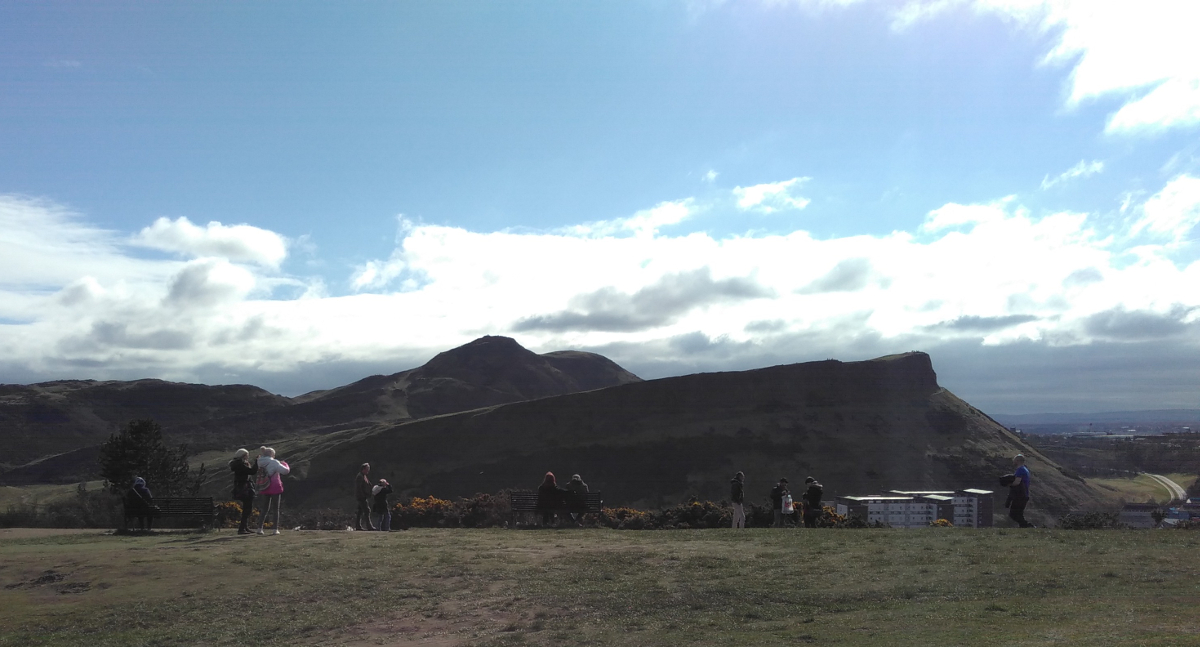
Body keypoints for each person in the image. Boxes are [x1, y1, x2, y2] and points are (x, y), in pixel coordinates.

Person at [256, 447, 290, 535]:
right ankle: (275, 529)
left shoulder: (259, 461)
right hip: (274, 486)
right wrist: (284, 463)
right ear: (272, 454)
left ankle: (259, 528)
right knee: (275, 509)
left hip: (264, 485)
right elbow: (285, 471)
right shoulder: (274, 462)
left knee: (264, 508)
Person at [229, 448, 258, 535]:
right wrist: (257, 462)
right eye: (247, 455)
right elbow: (252, 471)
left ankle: (245, 527)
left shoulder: (237, 464)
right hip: (245, 489)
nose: (248, 457)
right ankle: (242, 528)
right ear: (243, 456)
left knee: (246, 508)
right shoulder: (241, 465)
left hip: (241, 488)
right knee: (247, 509)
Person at [1009, 454, 1033, 528]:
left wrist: (1009, 484)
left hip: (1020, 495)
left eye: (1014, 460)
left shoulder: (1020, 470)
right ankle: (1024, 526)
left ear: (1018, 461)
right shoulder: (1025, 469)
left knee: (1013, 514)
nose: (1013, 462)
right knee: (1019, 514)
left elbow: (1017, 482)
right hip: (1024, 495)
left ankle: (1027, 526)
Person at [355, 463, 375, 531]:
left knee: (360, 511)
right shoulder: (360, 476)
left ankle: (358, 526)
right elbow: (359, 488)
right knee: (367, 510)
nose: (368, 470)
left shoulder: (364, 476)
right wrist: (363, 495)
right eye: (367, 469)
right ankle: (369, 526)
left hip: (363, 496)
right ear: (363, 469)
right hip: (361, 497)